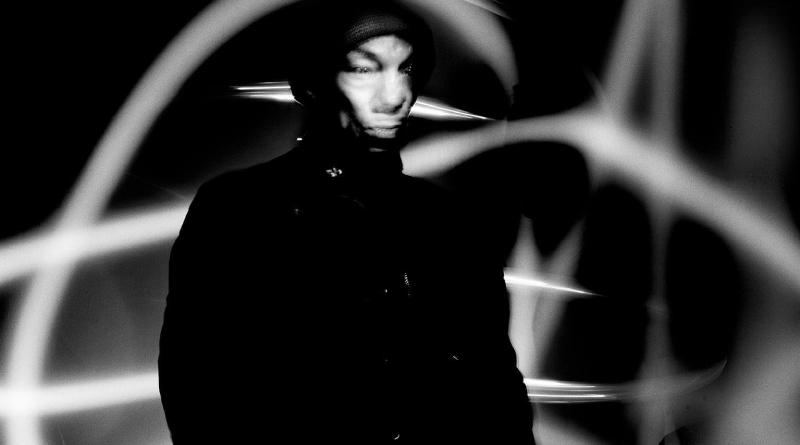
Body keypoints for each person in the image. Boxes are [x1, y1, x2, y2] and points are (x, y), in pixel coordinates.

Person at [158, 0, 534, 443]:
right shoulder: (238, 208)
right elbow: (194, 383)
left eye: (407, 69)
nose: (395, 95)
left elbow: (496, 381)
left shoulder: (449, 220)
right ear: (313, 85)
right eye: (364, 69)